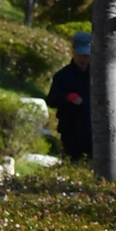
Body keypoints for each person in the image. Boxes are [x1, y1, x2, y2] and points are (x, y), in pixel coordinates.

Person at [46, 31, 93, 161]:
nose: (83, 59)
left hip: (94, 132)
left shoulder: (98, 76)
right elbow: (51, 100)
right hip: (70, 131)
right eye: (80, 54)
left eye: (86, 55)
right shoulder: (63, 75)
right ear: (73, 52)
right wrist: (67, 98)